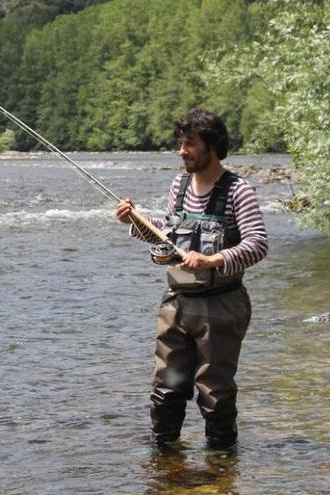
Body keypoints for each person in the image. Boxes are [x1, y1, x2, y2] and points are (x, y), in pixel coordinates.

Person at [115, 108, 268, 450]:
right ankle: (165, 461)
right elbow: (167, 238)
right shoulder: (179, 186)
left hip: (222, 305)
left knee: (214, 392)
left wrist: (214, 258)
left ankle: (221, 466)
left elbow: (258, 245)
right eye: (180, 144)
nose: (182, 151)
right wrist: (135, 220)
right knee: (166, 386)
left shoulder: (237, 190)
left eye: (189, 144)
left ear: (212, 145)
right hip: (176, 303)